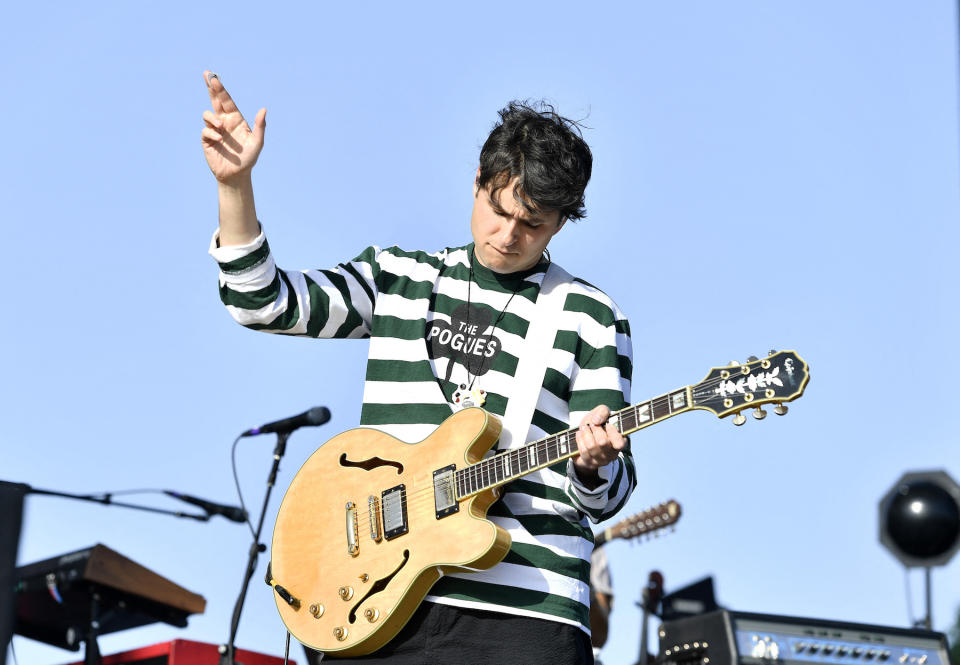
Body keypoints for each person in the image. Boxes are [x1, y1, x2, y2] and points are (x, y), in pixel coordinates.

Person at [201, 70, 635, 665]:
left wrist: (592, 465)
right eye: (498, 209)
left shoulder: (589, 315)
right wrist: (235, 186)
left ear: (561, 222)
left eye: (532, 224)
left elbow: (606, 496)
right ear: (478, 181)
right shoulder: (400, 277)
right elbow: (263, 303)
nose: (508, 235)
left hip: (523, 616)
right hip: (376, 602)